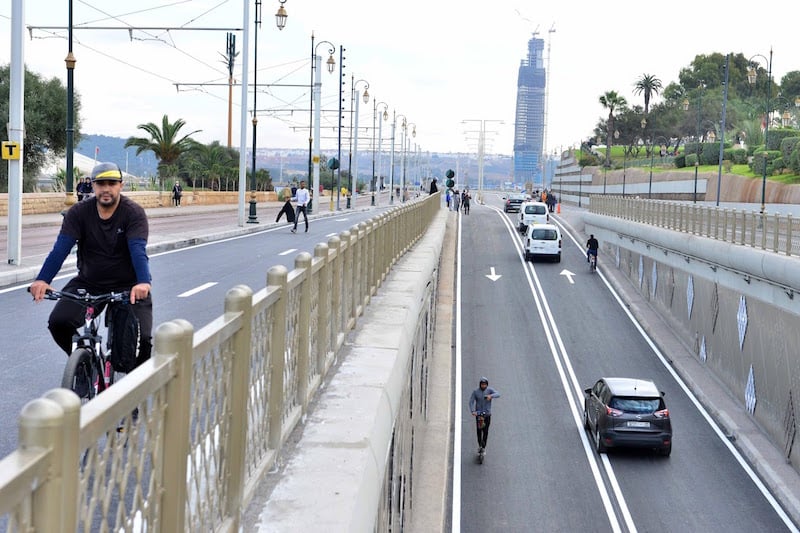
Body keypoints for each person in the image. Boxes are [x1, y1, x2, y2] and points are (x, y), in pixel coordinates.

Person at [29, 161, 153, 375]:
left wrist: (143, 282)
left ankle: (134, 396)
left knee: (141, 342)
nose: (106, 188)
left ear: (120, 186)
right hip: (89, 283)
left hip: (128, 286)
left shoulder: (133, 213)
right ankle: (84, 365)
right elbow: (60, 249)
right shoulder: (78, 212)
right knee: (58, 322)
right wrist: (43, 279)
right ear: (93, 186)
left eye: (111, 183)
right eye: (100, 183)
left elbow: (137, 249)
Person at [469, 377, 500, 454]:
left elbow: (498, 394)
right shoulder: (476, 392)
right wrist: (473, 411)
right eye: (482, 384)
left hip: (487, 414)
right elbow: (471, 401)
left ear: (487, 384)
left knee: (485, 431)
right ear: (480, 384)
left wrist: (491, 396)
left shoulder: (489, 390)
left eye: (485, 384)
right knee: (479, 430)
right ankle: (479, 445)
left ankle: (483, 446)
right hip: (479, 414)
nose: (483, 386)